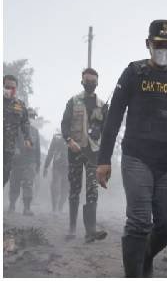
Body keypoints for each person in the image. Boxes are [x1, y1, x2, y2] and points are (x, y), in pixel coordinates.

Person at [96, 19, 167, 278]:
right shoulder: (134, 73)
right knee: (138, 223)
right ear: (148, 44)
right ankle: (134, 273)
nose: (164, 50)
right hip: (137, 158)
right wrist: (103, 160)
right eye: (159, 45)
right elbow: (113, 118)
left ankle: (142, 255)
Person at [61, 68, 108, 243]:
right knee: (74, 189)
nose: (90, 84)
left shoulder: (102, 105)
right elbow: (64, 124)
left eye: (93, 81)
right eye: (87, 81)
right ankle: (72, 228)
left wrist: (100, 127)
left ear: (97, 82)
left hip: (93, 153)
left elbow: (108, 130)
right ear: (82, 81)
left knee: (92, 189)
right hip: (75, 151)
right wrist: (68, 140)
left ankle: (90, 231)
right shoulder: (73, 101)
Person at [8, 108, 40, 215]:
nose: (31, 118)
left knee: (28, 184)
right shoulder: (17, 130)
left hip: (30, 162)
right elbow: (12, 142)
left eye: (33, 116)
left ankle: (26, 208)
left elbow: (38, 149)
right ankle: (12, 205)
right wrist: (15, 150)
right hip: (17, 162)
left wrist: (38, 164)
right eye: (30, 116)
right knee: (14, 184)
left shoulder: (35, 131)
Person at [3, 74, 32, 186]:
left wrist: (27, 138)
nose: (10, 90)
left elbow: (25, 122)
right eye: (7, 87)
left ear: (16, 89)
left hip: (8, 148)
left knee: (4, 176)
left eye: (12, 88)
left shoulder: (19, 105)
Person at [44, 130, 70, 213]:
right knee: (55, 187)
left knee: (65, 189)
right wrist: (46, 166)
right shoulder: (57, 137)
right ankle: (54, 207)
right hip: (57, 166)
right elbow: (50, 152)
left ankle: (60, 207)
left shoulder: (75, 136)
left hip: (68, 167)